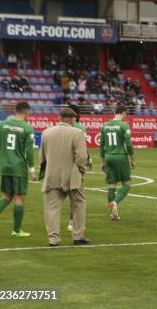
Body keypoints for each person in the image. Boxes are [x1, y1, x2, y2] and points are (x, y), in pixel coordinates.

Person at [40, 107, 89, 246]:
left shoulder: (46, 133)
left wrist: (46, 172)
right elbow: (82, 157)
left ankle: (53, 239)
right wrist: (81, 171)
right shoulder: (77, 133)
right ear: (69, 119)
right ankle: (78, 236)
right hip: (73, 176)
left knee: (51, 208)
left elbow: (42, 158)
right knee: (79, 204)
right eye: (74, 120)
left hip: (52, 175)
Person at [0, 102, 35, 237]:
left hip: (5, 165)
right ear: (26, 112)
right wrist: (31, 169)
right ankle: (17, 230)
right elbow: (29, 151)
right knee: (19, 197)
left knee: (7, 195)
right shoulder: (27, 128)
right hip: (18, 167)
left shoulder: (2, 124)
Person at [100, 105, 136, 221]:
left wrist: (102, 162)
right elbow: (128, 144)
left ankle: (112, 214)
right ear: (123, 113)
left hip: (108, 157)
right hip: (120, 157)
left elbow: (101, 146)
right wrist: (132, 159)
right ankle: (115, 202)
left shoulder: (105, 126)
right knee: (127, 183)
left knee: (112, 185)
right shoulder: (124, 125)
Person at [67, 104, 92, 232]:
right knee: (77, 195)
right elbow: (83, 148)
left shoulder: (61, 126)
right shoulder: (80, 127)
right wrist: (89, 159)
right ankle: (72, 222)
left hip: (62, 163)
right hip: (76, 165)